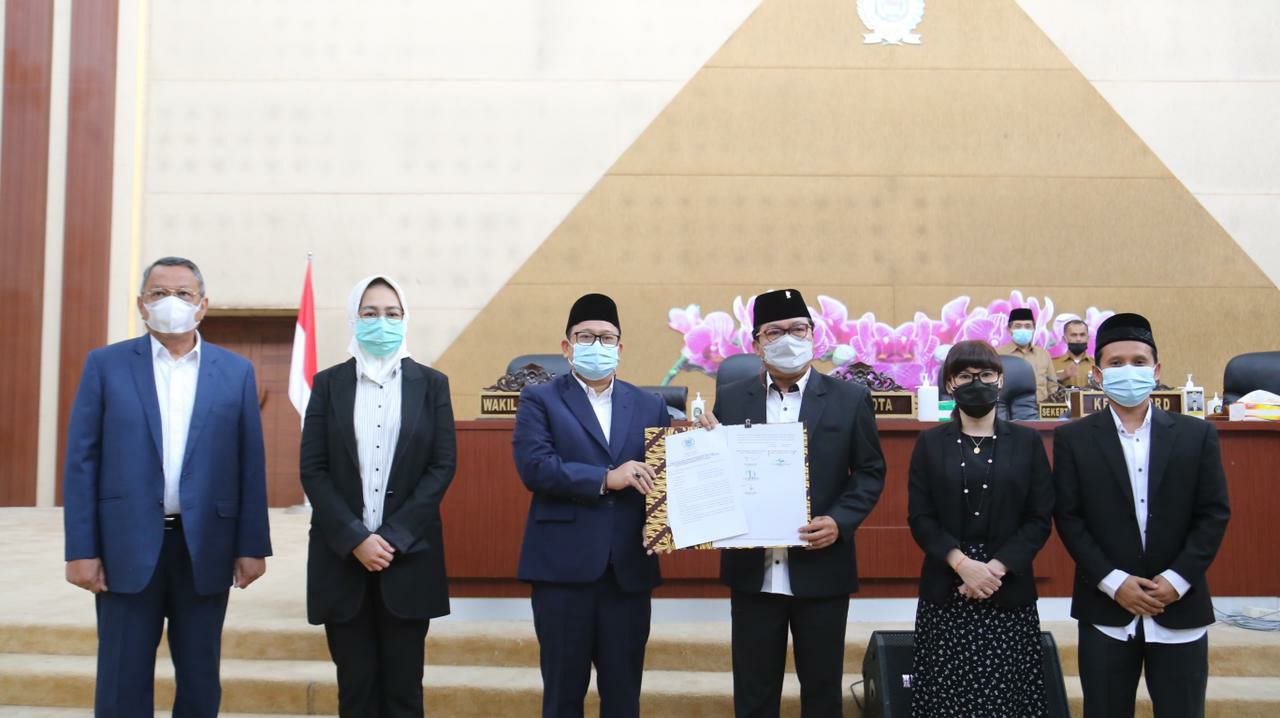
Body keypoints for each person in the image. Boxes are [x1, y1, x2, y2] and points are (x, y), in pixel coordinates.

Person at [63, 256, 272, 718]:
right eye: (159, 293)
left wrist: (252, 545)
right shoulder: (105, 365)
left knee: (200, 678)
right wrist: (81, 549)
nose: (170, 302)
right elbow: (81, 462)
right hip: (124, 546)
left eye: (182, 293)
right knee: (121, 679)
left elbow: (249, 465)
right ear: (142, 304)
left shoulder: (235, 372)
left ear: (202, 305)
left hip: (206, 547)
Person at [697, 288, 886, 718]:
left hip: (823, 569)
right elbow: (720, 471)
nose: (787, 339)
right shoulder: (732, 397)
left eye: (797, 329)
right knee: (753, 693)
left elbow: (870, 471)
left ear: (813, 334)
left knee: (822, 693)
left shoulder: (849, 398)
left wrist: (840, 521)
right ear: (756, 343)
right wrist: (702, 444)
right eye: (774, 332)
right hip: (753, 574)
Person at [1054, 313, 1230, 718]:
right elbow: (1069, 518)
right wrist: (1113, 582)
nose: (1128, 371)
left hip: (1179, 608)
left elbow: (1213, 514)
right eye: (1116, 363)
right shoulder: (1073, 439)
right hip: (1106, 611)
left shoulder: (1196, 435)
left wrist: (1177, 580)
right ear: (1098, 374)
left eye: (1138, 361)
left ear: (1157, 370)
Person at [300, 276, 457, 718]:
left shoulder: (432, 384)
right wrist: (355, 538)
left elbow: (441, 466)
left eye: (392, 313)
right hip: (341, 560)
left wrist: (392, 537)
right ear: (354, 318)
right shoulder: (328, 384)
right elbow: (313, 469)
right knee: (356, 692)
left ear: (405, 319)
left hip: (408, 559)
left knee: (404, 694)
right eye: (370, 313)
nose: (381, 322)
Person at [512, 293, 671, 718]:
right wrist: (606, 477)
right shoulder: (539, 399)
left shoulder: (650, 404)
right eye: (586, 337)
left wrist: (663, 519)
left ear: (620, 348)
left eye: (606, 338)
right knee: (563, 696)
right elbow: (535, 467)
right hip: (562, 571)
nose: (597, 345)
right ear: (567, 347)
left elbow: (665, 478)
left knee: (623, 698)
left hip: (627, 571)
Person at [906, 340, 1054, 716]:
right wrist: (963, 565)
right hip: (947, 590)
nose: (977, 382)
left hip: (1008, 590)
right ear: (950, 384)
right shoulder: (929, 443)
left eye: (986, 374)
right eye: (965, 376)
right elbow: (921, 517)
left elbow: (1039, 518)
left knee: (1007, 701)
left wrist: (993, 570)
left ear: (1001, 380)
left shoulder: (1027, 442)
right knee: (946, 701)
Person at [997, 307, 1057, 403]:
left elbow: (1052, 386)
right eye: (1018, 326)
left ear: (1034, 329)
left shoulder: (1043, 354)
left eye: (1028, 326)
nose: (1023, 330)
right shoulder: (998, 354)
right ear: (1009, 329)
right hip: (1009, 408)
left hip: (1040, 408)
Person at [1054, 319, 1096, 389]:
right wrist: (1060, 378)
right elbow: (1044, 389)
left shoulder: (1097, 365)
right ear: (1065, 339)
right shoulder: (1053, 364)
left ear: (1088, 338)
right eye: (1074, 335)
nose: (1078, 339)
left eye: (1082, 335)